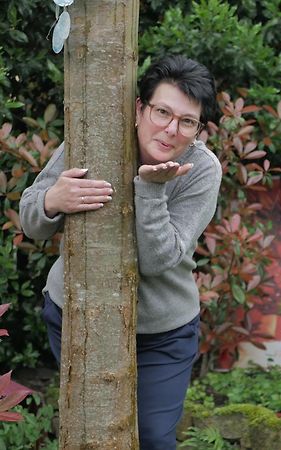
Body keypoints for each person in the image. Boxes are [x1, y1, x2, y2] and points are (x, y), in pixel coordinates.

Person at [19, 55, 222, 450]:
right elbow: (30, 219)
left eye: (187, 121)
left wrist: (150, 189)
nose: (170, 130)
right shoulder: (93, 138)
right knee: (92, 430)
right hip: (76, 313)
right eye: (162, 112)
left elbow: (158, 259)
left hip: (162, 332)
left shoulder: (200, 169)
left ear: (197, 129)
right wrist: (53, 201)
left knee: (152, 439)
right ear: (138, 108)